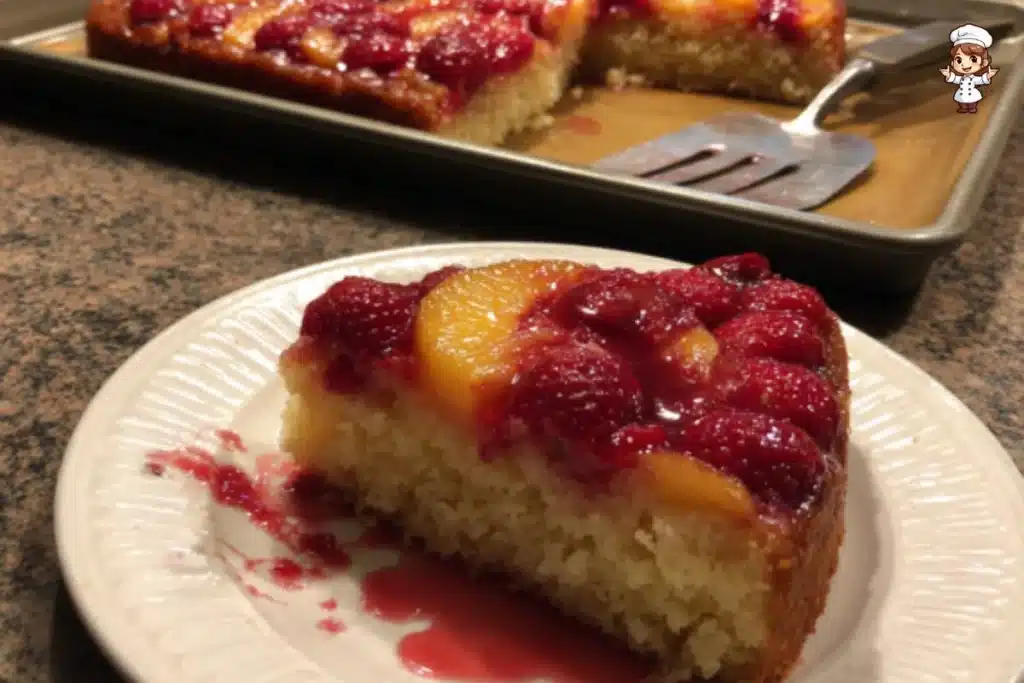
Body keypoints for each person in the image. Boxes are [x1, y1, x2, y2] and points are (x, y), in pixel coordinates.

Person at [940, 24, 999, 114]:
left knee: (972, 101)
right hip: (962, 94)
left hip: (971, 94)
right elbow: (956, 79)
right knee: (961, 100)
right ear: (953, 62)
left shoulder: (974, 78)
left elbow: (980, 80)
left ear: (984, 63)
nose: (965, 65)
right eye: (959, 60)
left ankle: (972, 108)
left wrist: (987, 76)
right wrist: (949, 75)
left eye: (973, 59)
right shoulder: (961, 77)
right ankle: (963, 107)